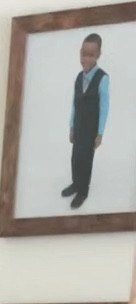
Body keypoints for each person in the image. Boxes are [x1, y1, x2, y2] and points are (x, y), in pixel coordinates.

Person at [64, 32, 110, 211]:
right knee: (75, 156)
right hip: (78, 126)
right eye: (83, 54)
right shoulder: (78, 77)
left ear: (98, 55)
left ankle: (83, 191)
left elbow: (105, 108)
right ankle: (76, 183)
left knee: (86, 158)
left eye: (91, 55)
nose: (86, 58)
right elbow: (74, 103)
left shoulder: (102, 78)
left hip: (91, 128)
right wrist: (71, 126)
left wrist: (100, 133)